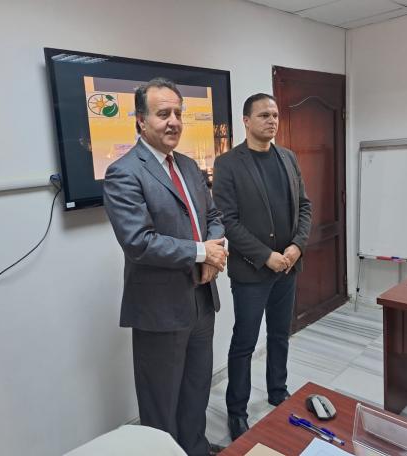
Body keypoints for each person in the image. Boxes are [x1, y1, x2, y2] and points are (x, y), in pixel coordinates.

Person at [103, 78, 228, 455]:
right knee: (161, 403)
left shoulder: (189, 166)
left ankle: (196, 448)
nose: (174, 121)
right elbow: (138, 242)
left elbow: (214, 217)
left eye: (178, 113)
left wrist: (213, 251)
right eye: (163, 114)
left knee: (196, 391)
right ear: (141, 121)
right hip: (159, 311)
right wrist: (202, 253)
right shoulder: (124, 172)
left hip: (201, 302)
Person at [212, 93, 312, 441]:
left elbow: (304, 206)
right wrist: (266, 255)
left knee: (280, 334)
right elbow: (228, 220)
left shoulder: (288, 157)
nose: (272, 121)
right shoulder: (228, 164)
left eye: (275, 115)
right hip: (252, 272)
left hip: (288, 267)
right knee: (244, 342)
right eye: (264, 115)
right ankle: (237, 412)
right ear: (246, 120)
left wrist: (297, 246)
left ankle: (278, 392)